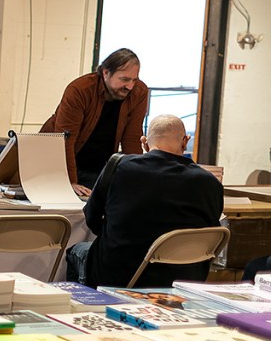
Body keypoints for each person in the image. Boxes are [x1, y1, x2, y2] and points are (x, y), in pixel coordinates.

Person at [65, 114, 223, 289]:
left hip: (120, 276)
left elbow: (91, 218)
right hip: (184, 280)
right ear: (185, 141)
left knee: (76, 251)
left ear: (144, 143)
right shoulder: (210, 183)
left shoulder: (119, 166)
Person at [41, 48, 149, 196]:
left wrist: (136, 180)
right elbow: (65, 139)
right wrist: (69, 182)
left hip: (99, 168)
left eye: (134, 80)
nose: (130, 86)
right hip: (60, 164)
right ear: (106, 73)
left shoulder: (139, 92)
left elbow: (132, 138)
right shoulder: (80, 90)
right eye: (124, 79)